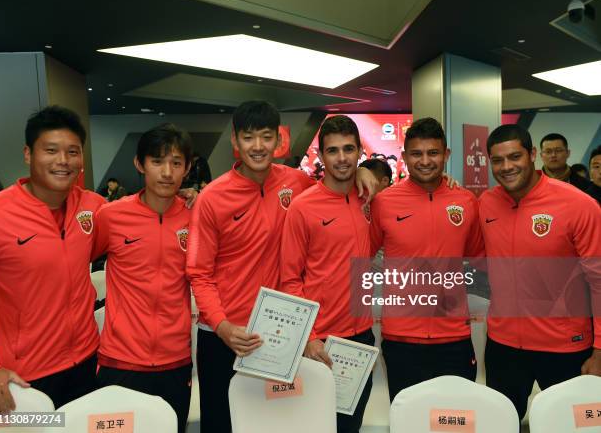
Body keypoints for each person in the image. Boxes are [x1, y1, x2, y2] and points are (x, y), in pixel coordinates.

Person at [186, 101, 377, 432]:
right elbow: (199, 274)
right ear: (235, 141)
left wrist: (363, 170)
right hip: (225, 334)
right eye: (248, 138)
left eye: (265, 137)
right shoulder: (212, 199)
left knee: (277, 422)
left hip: (281, 331)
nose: (258, 147)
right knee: (223, 423)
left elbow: (335, 182)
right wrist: (222, 326)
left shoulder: (296, 184)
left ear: (279, 140)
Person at [480, 124, 601, 421]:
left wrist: (600, 350)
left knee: (567, 426)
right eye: (497, 160)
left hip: (565, 346)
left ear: (533, 154)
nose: (507, 167)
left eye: (515, 157)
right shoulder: (486, 203)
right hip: (504, 345)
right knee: (500, 424)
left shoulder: (580, 205)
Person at [0, 106, 105, 411]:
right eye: (51, 150)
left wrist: (186, 200)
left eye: (72, 151)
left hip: (87, 363)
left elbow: (141, 215)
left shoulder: (94, 207)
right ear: (28, 154)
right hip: (24, 378)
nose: (63, 161)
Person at [370, 117, 484, 402]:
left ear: (446, 155)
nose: (425, 161)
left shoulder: (466, 201)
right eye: (417, 154)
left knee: (457, 421)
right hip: (401, 339)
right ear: (405, 156)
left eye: (433, 153)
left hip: (454, 337)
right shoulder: (384, 202)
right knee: (408, 421)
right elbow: (364, 253)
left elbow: (476, 256)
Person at [92, 124, 193, 433]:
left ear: (187, 168)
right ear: (140, 164)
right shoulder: (111, 216)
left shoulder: (196, 216)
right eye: (157, 161)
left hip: (176, 360)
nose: (167, 172)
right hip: (120, 361)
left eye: (176, 163)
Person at [280, 115, 374, 432]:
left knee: (351, 426)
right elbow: (290, 279)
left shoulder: (371, 200)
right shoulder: (303, 208)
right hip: (319, 344)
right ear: (321, 156)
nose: (342, 158)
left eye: (349, 149)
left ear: (360, 151)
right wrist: (309, 338)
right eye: (333, 151)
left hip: (362, 339)